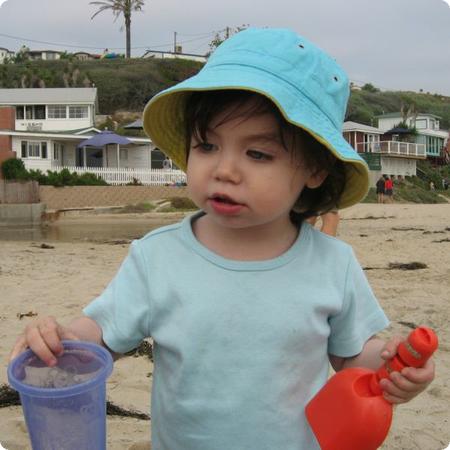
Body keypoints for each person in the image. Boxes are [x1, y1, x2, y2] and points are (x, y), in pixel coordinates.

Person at [10, 28, 435, 450]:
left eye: (257, 154)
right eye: (207, 145)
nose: (224, 170)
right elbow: (100, 337)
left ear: (315, 169)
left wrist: (393, 366)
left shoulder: (333, 264)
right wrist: (59, 340)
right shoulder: (157, 257)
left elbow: (349, 358)